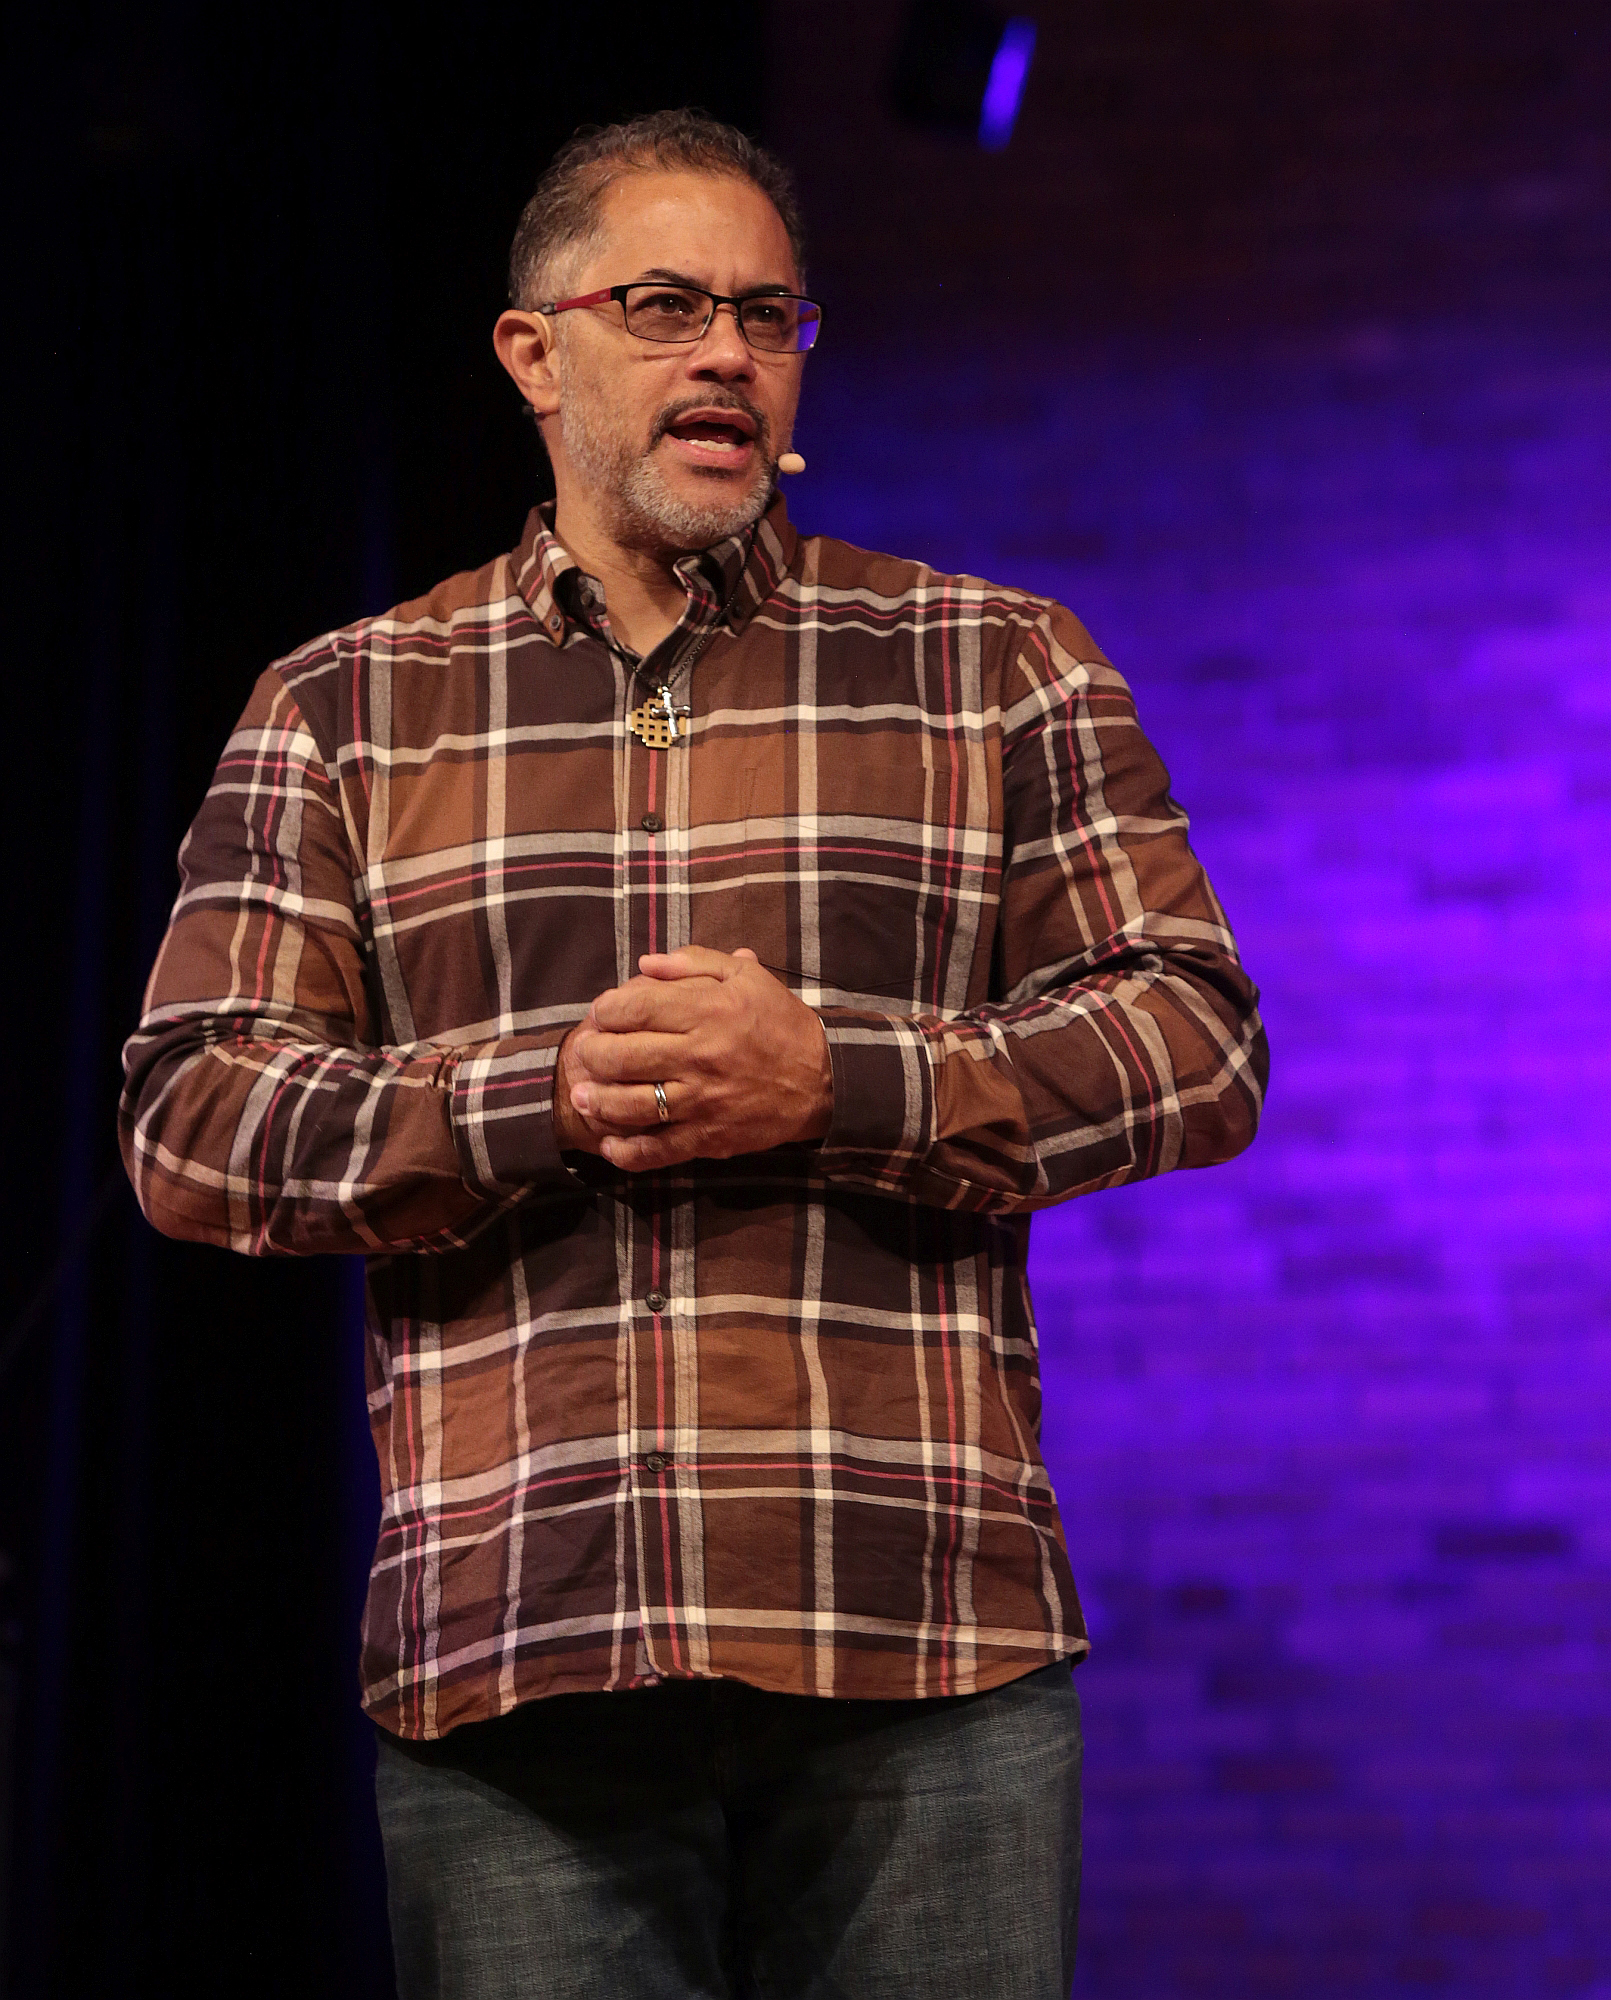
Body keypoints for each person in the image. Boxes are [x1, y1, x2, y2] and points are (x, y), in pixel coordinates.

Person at [120, 110, 1267, 2000]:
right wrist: (542, 1097)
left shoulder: (991, 665)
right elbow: (194, 1119)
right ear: (533, 353)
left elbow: (1193, 1038)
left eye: (768, 314)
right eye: (665, 307)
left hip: (917, 1640)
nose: (727, 353)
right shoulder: (348, 706)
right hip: (522, 1645)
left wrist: (842, 1082)